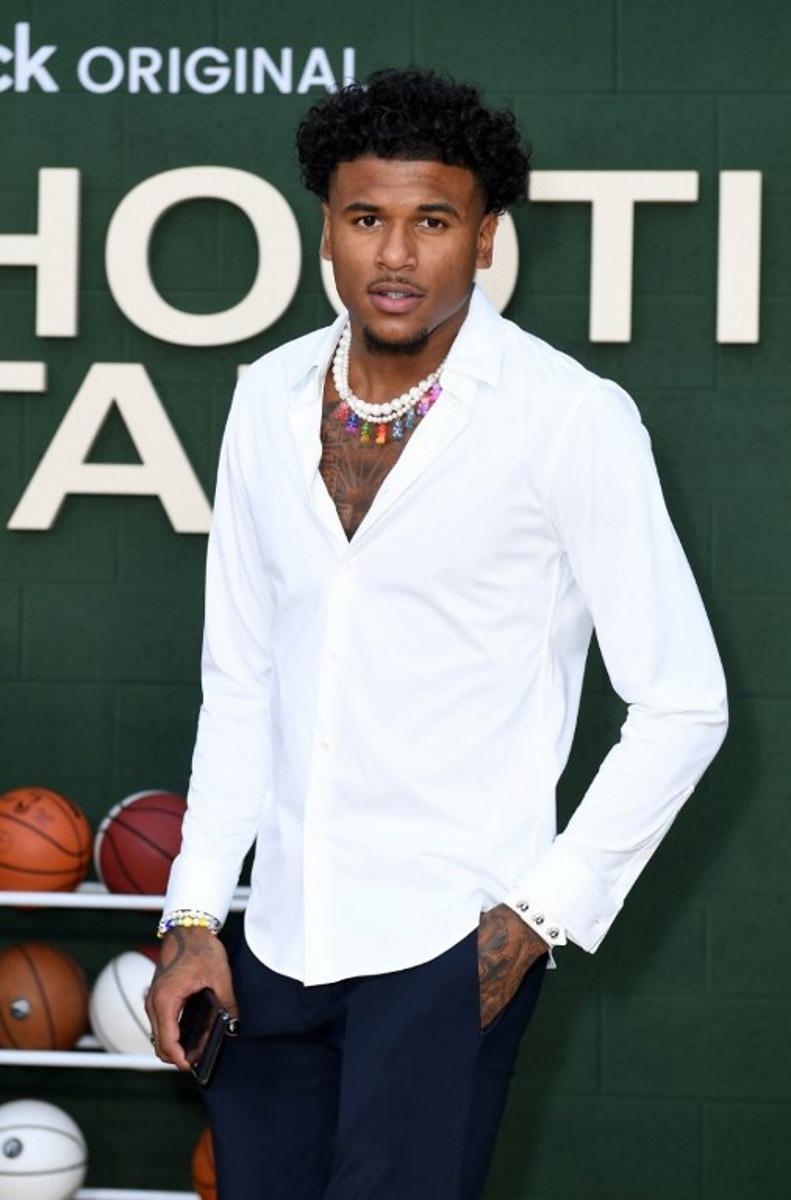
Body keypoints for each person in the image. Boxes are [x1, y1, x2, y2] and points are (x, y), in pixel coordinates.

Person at [145, 66, 729, 1199]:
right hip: (276, 946)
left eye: (432, 221)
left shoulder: (569, 420)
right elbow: (241, 680)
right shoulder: (264, 398)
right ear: (326, 230)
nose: (397, 257)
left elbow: (682, 702)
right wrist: (195, 915)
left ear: (486, 237)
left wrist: (533, 921)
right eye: (367, 219)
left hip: (446, 948)